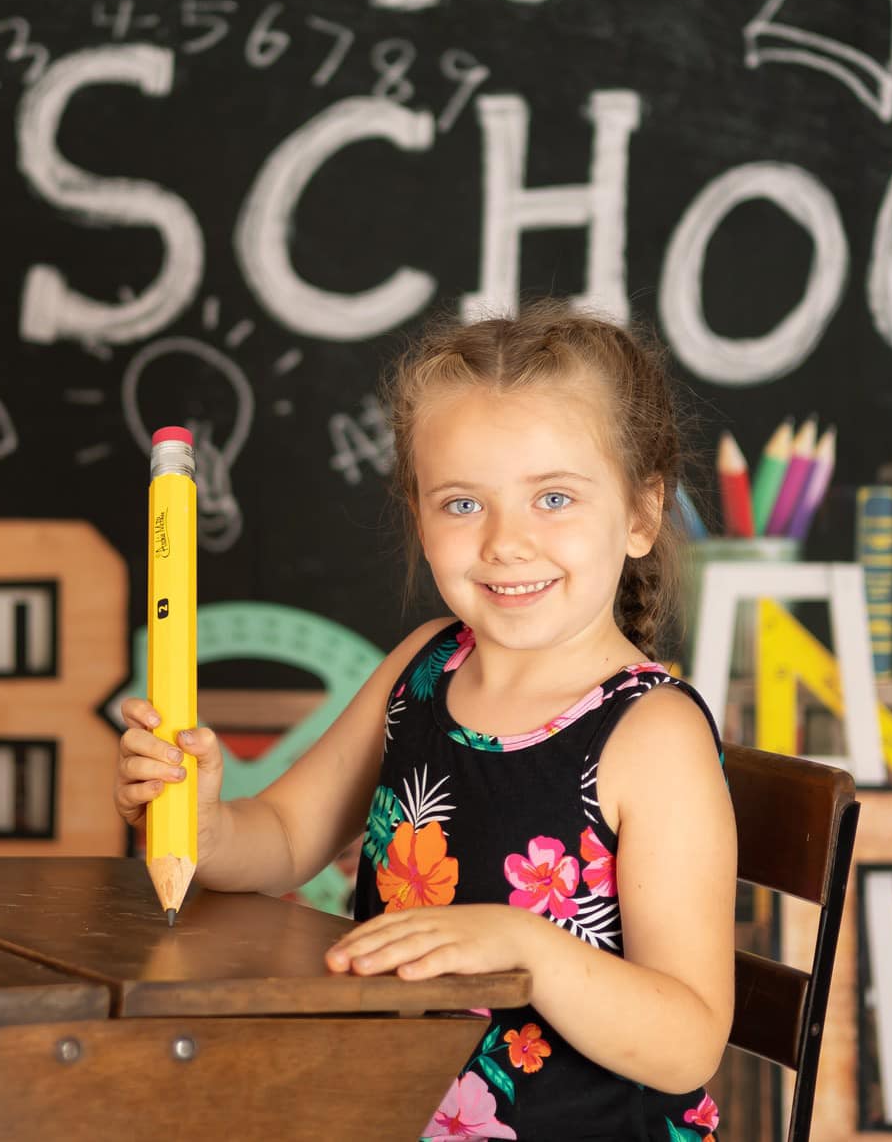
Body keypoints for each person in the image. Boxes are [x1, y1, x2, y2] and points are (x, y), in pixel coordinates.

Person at [114, 303, 736, 1141]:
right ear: (418, 513)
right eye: (462, 504)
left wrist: (526, 944)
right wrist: (203, 819)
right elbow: (288, 836)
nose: (507, 542)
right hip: (388, 1109)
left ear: (640, 514)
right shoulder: (424, 667)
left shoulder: (653, 734)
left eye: (553, 497)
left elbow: (688, 1039)